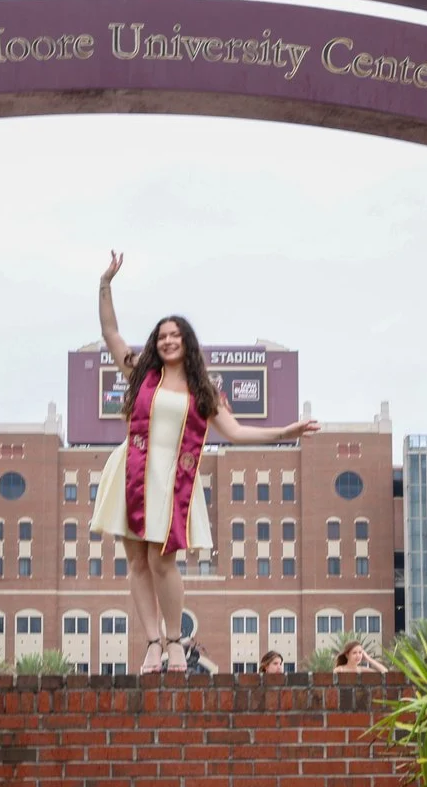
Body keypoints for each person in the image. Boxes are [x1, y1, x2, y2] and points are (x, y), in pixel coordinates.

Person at [92, 251, 319, 674]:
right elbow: (111, 332)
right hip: (131, 469)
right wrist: (105, 284)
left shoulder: (203, 390)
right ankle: (152, 644)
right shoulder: (141, 374)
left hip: (171, 480)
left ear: (187, 341)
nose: (167, 340)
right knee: (137, 561)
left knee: (163, 560)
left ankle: (176, 641)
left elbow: (235, 433)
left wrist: (285, 434)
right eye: (161, 335)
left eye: (175, 334)